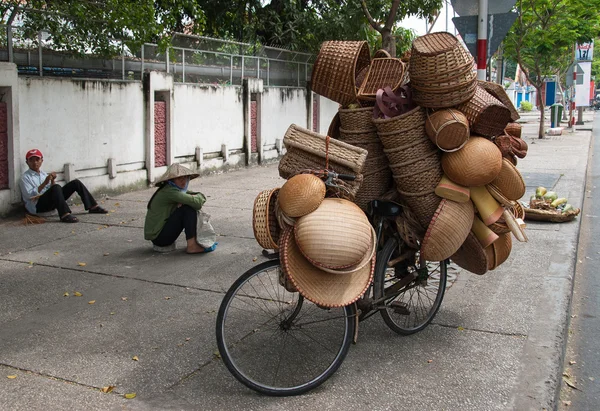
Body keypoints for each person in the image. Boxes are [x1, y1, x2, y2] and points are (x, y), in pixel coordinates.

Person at [144, 163, 216, 254]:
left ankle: (193, 244)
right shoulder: (171, 192)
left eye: (185, 177)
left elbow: (199, 195)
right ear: (172, 180)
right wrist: (194, 199)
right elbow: (197, 203)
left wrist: (194, 198)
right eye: (179, 178)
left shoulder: (174, 190)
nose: (183, 181)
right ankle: (192, 246)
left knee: (188, 203)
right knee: (188, 208)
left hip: (159, 235)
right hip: (159, 238)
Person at [20, 148, 108, 223]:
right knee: (56, 188)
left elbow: (52, 190)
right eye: (31, 160)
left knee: (75, 183)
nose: (35, 162)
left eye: (37, 159)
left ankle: (93, 206)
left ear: (41, 161)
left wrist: (52, 181)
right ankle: (64, 214)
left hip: (49, 202)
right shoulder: (25, 178)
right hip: (37, 206)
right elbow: (30, 196)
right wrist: (45, 183)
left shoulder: (43, 174)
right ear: (27, 162)